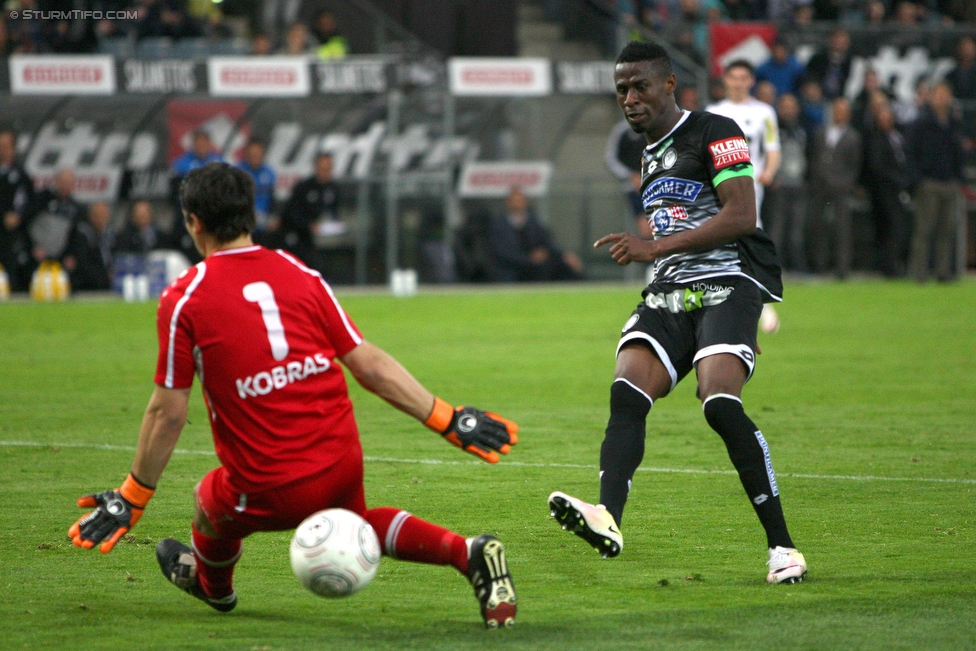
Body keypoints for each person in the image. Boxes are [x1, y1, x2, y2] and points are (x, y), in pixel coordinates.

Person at [67, 162, 520, 628]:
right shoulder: (297, 270)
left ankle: (214, 589)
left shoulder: (185, 299)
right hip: (341, 459)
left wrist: (133, 495)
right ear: (252, 215)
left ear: (193, 222)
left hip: (269, 483)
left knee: (207, 502)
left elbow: (168, 413)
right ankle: (468, 554)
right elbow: (368, 364)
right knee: (357, 518)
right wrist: (447, 417)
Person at [548, 42, 806, 585]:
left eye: (640, 86)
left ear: (669, 85)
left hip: (726, 283)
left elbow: (742, 213)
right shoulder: (647, 151)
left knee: (718, 403)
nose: (630, 98)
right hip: (670, 292)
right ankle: (607, 518)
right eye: (622, 89)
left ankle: (782, 547)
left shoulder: (717, 130)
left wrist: (652, 249)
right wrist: (660, 257)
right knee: (626, 393)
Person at [706, 59, 782, 333]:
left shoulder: (764, 113)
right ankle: (724, 299)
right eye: (733, 77)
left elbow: (772, 148)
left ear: (751, 81)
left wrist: (769, 172)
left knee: (749, 239)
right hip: (718, 189)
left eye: (743, 77)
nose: (738, 82)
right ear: (725, 80)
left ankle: (763, 301)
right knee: (721, 241)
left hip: (750, 188)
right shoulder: (713, 112)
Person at [906, 82, 965, 282]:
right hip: (929, 182)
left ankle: (943, 271)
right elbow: (911, 152)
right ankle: (919, 271)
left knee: (946, 230)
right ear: (931, 97)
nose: (942, 98)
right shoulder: (921, 122)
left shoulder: (953, 123)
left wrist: (959, 178)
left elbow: (958, 153)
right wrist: (918, 179)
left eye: (945, 94)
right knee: (924, 229)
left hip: (949, 182)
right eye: (938, 94)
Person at [807, 97, 863, 278]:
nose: (839, 114)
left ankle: (842, 268)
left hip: (841, 188)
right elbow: (813, 157)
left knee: (842, 229)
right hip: (820, 186)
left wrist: (845, 183)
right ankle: (820, 265)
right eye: (837, 110)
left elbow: (855, 165)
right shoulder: (820, 132)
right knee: (819, 226)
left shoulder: (853, 137)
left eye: (843, 110)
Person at [486, 187, 583, 282]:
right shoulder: (498, 225)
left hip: (534, 268)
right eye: (514, 200)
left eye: (520, 200)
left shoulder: (533, 221)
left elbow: (547, 241)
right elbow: (501, 252)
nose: (517, 203)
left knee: (559, 267)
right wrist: (528, 259)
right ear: (508, 202)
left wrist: (565, 255)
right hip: (510, 268)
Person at [864, 104, 911, 277]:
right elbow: (877, 167)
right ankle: (889, 266)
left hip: (899, 189)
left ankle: (896, 264)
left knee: (899, 227)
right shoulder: (876, 140)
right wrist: (898, 179)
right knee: (893, 228)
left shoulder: (898, 136)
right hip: (885, 192)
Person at [764, 93, 808, 272]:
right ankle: (775, 266)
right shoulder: (772, 129)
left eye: (792, 106)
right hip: (779, 185)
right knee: (777, 228)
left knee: (796, 227)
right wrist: (772, 176)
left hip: (797, 184)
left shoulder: (802, 130)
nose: (789, 110)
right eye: (785, 106)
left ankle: (797, 266)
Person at [280, 153, 340, 273]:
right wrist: (308, 225)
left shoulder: (334, 188)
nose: (325, 172)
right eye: (322, 168)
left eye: (328, 169)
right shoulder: (303, 187)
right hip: (302, 238)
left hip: (327, 239)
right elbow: (291, 213)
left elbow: (335, 211)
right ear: (316, 168)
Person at [24, 169, 85, 266]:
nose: (65, 186)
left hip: (58, 261)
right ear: (56, 181)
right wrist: (32, 247)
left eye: (68, 183)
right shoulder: (42, 198)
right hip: (35, 256)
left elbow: (75, 236)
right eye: (63, 182)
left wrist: (70, 255)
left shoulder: (75, 208)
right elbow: (25, 223)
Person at [0, 129, 34, 290]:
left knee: (13, 273)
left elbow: (31, 202)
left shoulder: (21, 175)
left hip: (13, 237)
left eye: (6, 147)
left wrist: (19, 217)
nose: (2, 150)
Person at [605, 118, 652, 234]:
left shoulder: (655, 127)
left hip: (655, 183)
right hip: (634, 188)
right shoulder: (622, 130)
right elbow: (610, 158)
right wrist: (630, 175)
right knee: (646, 228)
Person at [67, 201, 113, 291]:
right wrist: (104, 278)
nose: (101, 219)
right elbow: (83, 263)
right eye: (98, 215)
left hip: (107, 282)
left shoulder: (109, 235)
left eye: (104, 215)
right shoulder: (82, 234)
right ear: (91, 217)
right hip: (87, 286)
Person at [237, 138, 277, 237]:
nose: (255, 156)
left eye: (258, 153)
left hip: (263, 228)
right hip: (241, 227)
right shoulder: (237, 172)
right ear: (246, 154)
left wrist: (272, 217)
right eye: (252, 153)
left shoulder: (269, 173)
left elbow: (272, 199)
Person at [804, 27, 852, 100]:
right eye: (837, 38)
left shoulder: (852, 61)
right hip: (819, 97)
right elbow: (809, 77)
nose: (839, 42)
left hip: (842, 98)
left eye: (843, 40)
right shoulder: (818, 59)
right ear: (830, 40)